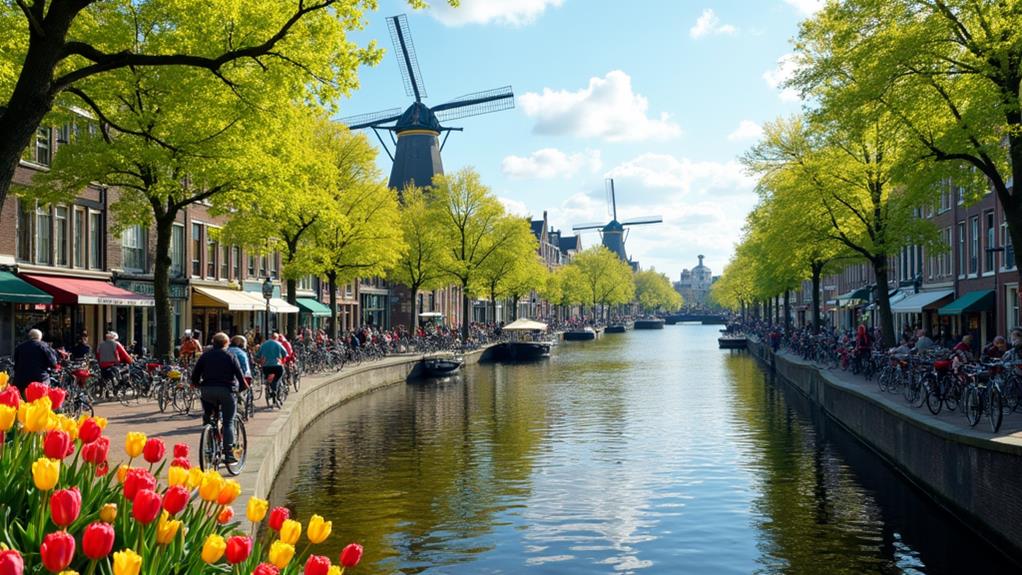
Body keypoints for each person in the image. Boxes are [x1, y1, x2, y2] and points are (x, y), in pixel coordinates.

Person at [190, 332, 245, 463]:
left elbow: (195, 375)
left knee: (208, 416)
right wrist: (241, 389)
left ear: (213, 343)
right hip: (226, 391)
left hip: (207, 391)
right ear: (226, 343)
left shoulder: (204, 356)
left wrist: (197, 385)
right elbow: (240, 377)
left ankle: (208, 435)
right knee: (228, 422)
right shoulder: (230, 356)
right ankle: (229, 454)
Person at [255, 334, 288, 399]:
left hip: (266, 366)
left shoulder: (263, 345)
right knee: (278, 376)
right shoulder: (278, 344)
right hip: (277, 366)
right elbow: (285, 353)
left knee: (267, 377)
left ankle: (269, 386)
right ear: (277, 338)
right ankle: (274, 389)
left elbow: (257, 355)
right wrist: (281, 359)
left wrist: (261, 361)